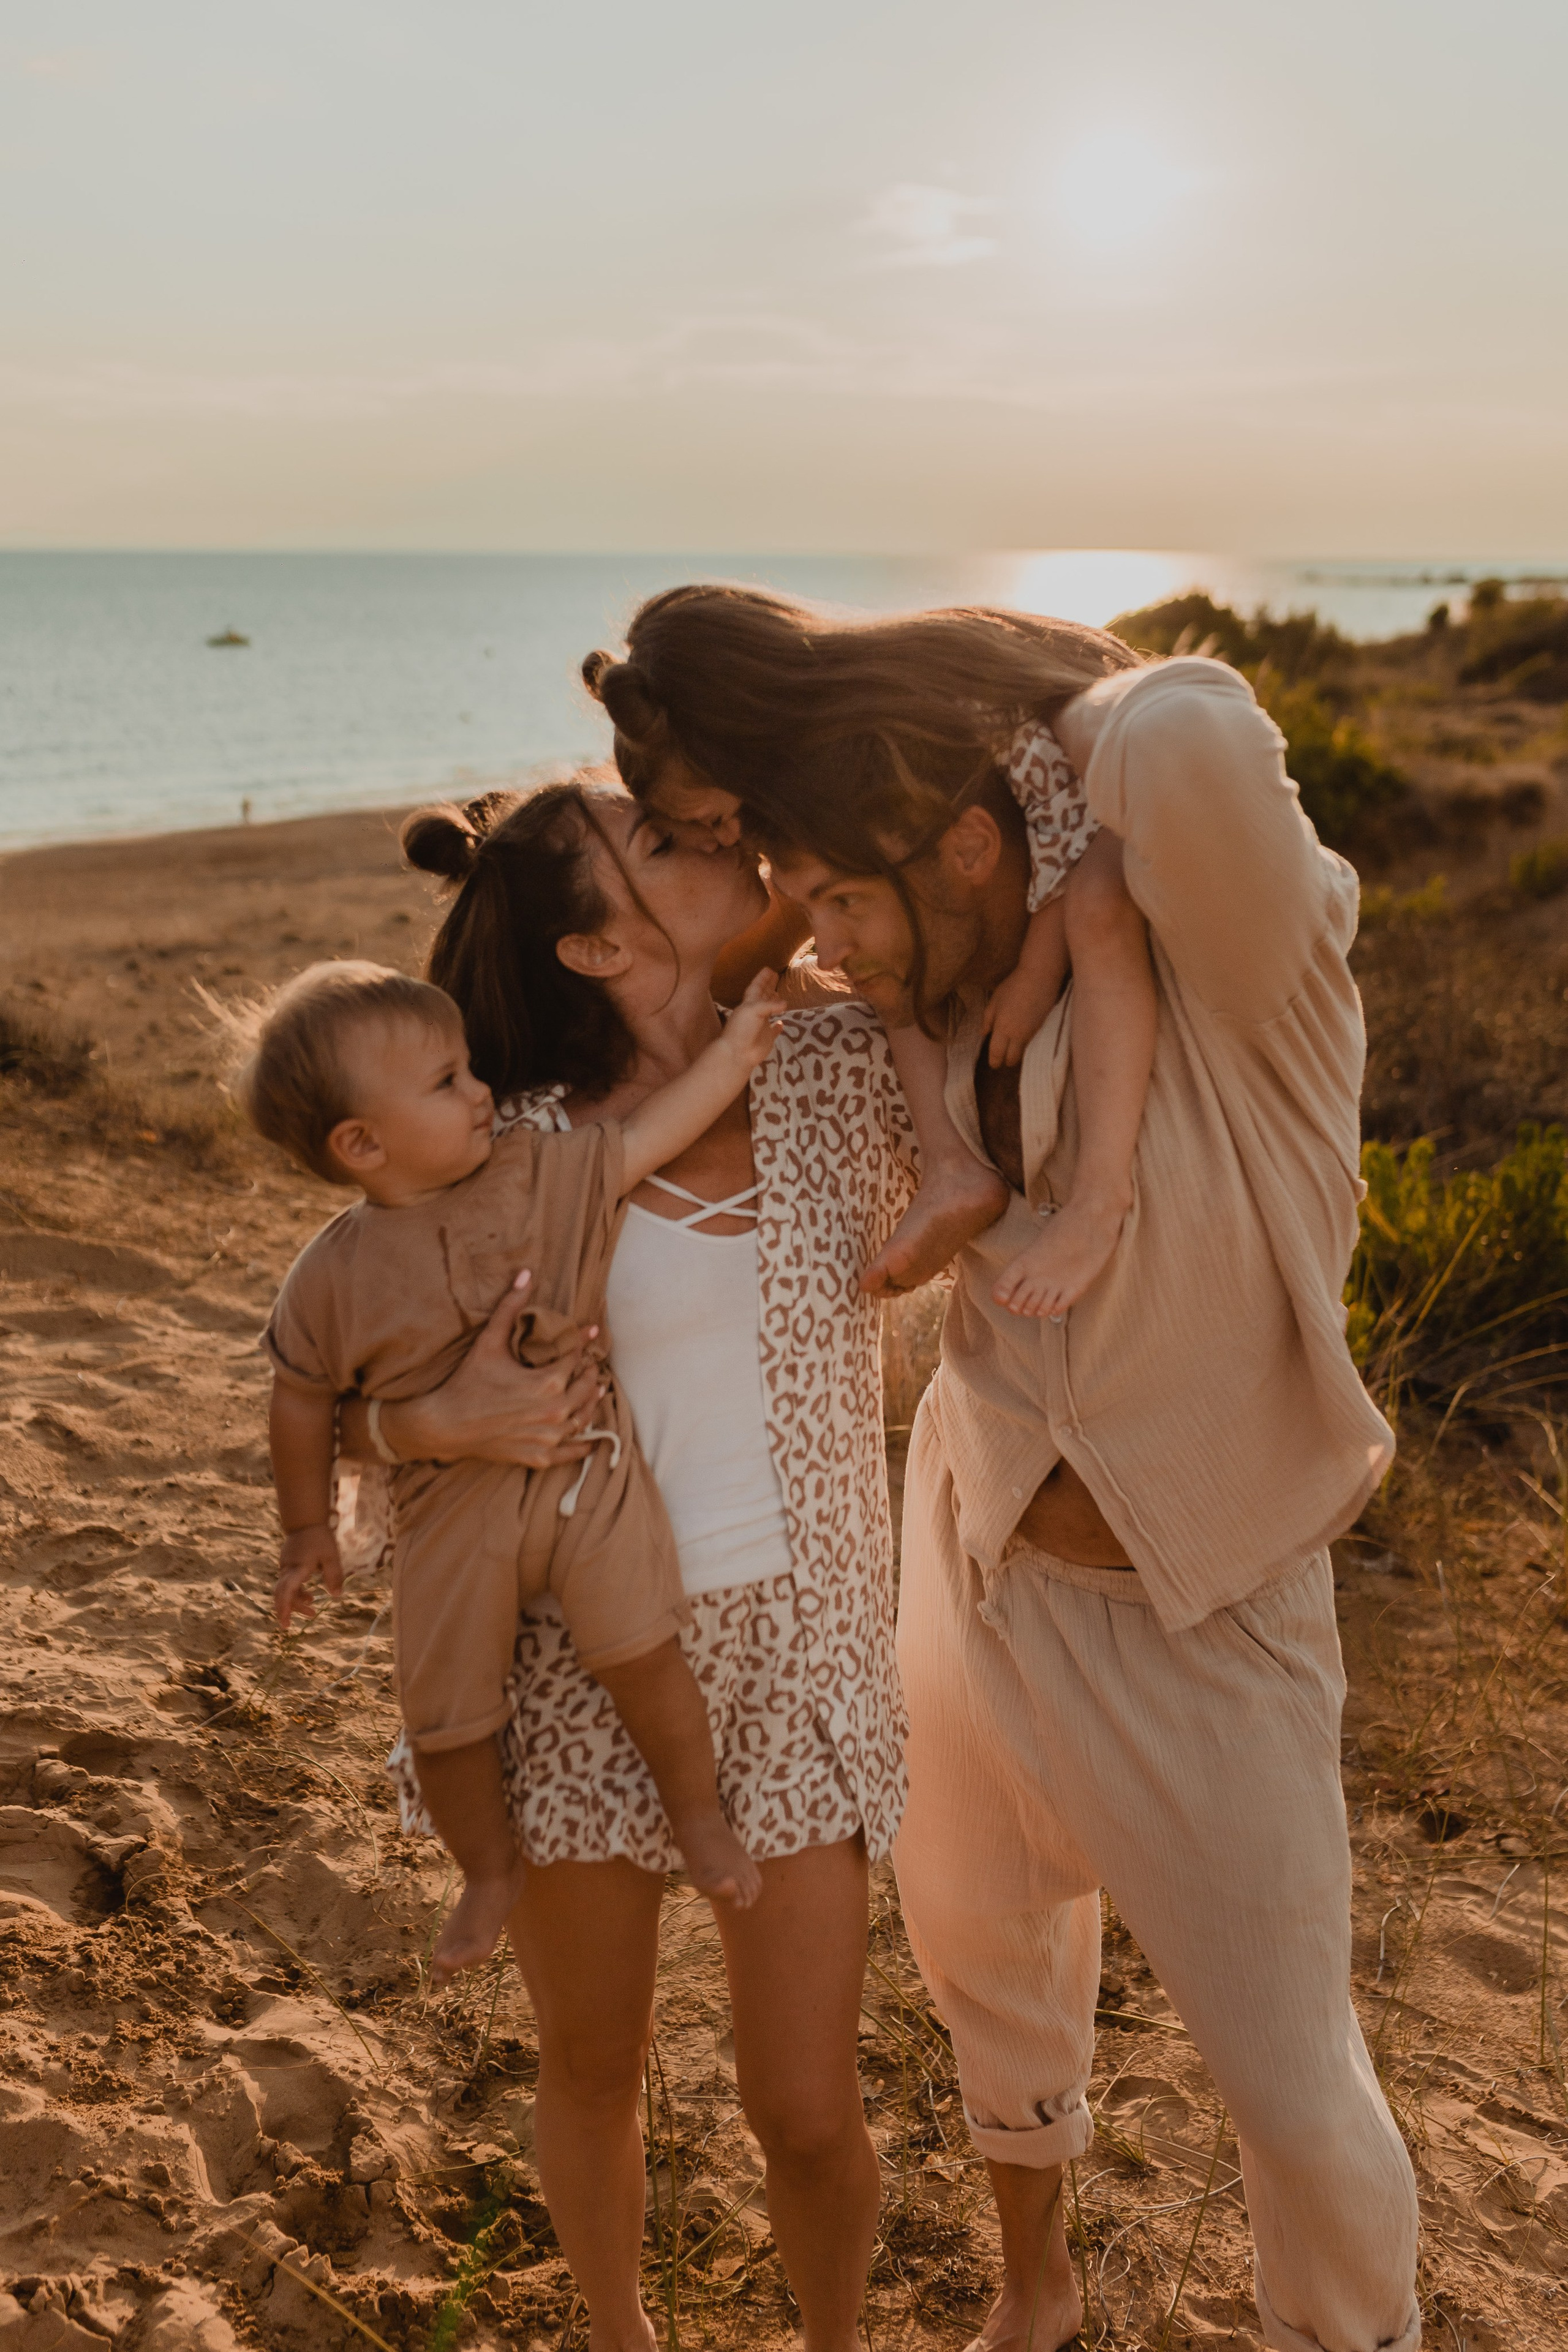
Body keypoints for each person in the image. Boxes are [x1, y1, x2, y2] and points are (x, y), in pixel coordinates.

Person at [584, 584, 1421, 2352]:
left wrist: (1032, 723)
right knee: (982, 1957)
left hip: (1198, 1602)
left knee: (1290, 2095)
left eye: (819, 882)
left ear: (974, 838)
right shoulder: (947, 992)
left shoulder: (1237, 970)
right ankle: (1035, 2295)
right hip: (973, 1551)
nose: (810, 928)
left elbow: (1189, 731)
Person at [337, 775, 917, 2352]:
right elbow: (343, 1381)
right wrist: (430, 1419)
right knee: (593, 2066)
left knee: (803, 2103)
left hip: (797, 1652)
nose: (720, 841)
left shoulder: (843, 1066)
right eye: (660, 843)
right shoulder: (499, 1140)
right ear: (594, 948)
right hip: (564, 1669)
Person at [237, 953, 782, 1980]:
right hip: (448, 1514)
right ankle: (487, 1870)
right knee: (445, 1713)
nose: (482, 1090)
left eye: (467, 1066)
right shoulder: (333, 1274)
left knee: (644, 1651)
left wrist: (739, 1049)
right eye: (445, 1083)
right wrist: (306, 1529)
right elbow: (301, 1395)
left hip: (588, 1470)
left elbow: (648, 1138)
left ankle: (699, 1816)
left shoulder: (537, 1172)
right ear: (361, 1143)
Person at [584, 639, 1159, 1319]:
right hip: (1028, 841)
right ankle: (950, 1168)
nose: (721, 840)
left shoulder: (896, 731)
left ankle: (1101, 1195)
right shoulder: (806, 778)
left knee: (1095, 918)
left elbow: (1066, 827)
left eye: (715, 818)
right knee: (885, 976)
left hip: (1100, 823)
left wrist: (1037, 968)